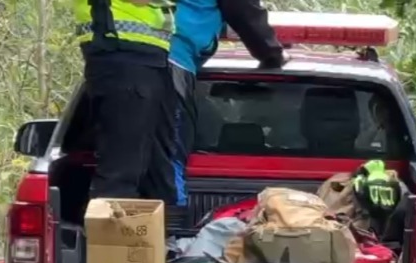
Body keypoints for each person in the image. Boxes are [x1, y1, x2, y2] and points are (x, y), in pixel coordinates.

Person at [167, 0, 285, 208]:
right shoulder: (171, 75)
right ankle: (172, 214)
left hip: (151, 50)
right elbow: (243, 10)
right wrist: (272, 53)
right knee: (169, 151)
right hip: (171, 53)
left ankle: (170, 222)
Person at [74, 0, 179, 205]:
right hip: (120, 50)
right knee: (120, 172)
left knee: (156, 173)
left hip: (148, 56)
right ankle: (108, 234)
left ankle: (157, 233)